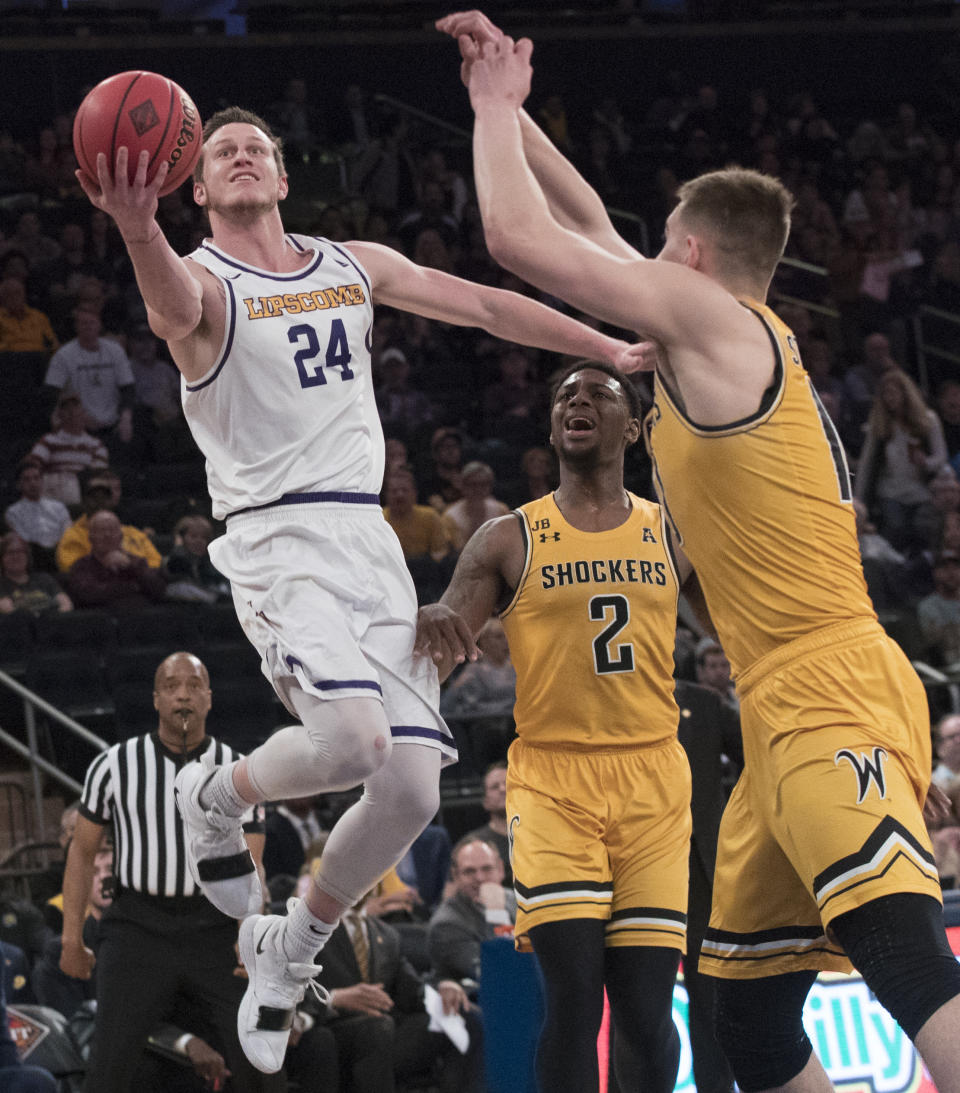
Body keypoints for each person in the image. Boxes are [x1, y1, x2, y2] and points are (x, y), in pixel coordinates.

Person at [436, 11, 960, 1093]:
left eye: (661, 240)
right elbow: (585, 221)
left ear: (694, 253)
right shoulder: (725, 341)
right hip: (781, 699)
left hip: (827, 682)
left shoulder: (718, 325)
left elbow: (523, 243)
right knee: (749, 1019)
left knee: (902, 949)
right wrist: (518, 107)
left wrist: (486, 115)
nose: (644, 252)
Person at [75, 102, 646, 1076]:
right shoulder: (206, 281)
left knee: (415, 786)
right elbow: (169, 313)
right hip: (278, 541)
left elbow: (483, 305)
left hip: (367, 539)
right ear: (198, 186)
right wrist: (136, 225)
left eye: (259, 147)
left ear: (285, 177)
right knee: (353, 740)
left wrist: (607, 347)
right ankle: (214, 793)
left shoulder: (353, 263)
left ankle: (287, 946)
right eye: (222, 153)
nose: (244, 157)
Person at [417, 359, 694, 1093]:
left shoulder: (674, 530)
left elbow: (750, 629)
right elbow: (440, 648)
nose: (576, 400)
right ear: (551, 426)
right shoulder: (509, 537)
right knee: (572, 1000)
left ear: (633, 427)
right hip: (554, 781)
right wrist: (423, 627)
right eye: (565, 395)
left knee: (645, 1009)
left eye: (598, 393)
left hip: (655, 781)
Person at [58, 651, 280, 1093]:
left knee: (260, 1057)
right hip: (138, 926)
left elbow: (251, 863)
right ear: (156, 698)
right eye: (172, 686)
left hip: (215, 927)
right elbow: (81, 854)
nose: (183, 694)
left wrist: (247, 935)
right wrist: (72, 939)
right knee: (108, 1065)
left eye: (194, 686)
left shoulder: (238, 770)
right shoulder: (113, 765)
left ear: (210, 699)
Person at [291, 890, 484, 1093]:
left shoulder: (386, 934)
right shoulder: (312, 926)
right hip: (330, 1032)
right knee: (376, 1029)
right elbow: (288, 984)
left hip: (382, 1035)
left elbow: (413, 993)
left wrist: (443, 985)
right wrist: (335, 998)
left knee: (466, 1016)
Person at [427, 837, 516, 985]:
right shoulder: (446, 925)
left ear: (500, 869)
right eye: (469, 871)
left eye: (487, 869)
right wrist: (497, 915)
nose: (480, 878)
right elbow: (499, 972)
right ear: (456, 876)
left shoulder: (516, 900)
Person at [64, 509, 168, 611]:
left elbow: (159, 590)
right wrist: (133, 587)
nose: (107, 535)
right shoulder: (81, 566)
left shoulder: (136, 562)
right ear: (90, 538)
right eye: (101, 531)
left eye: (112, 530)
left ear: (121, 537)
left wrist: (130, 566)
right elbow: (89, 595)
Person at [27, 390, 109, 508]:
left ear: (84, 412)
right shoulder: (48, 440)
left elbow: (99, 472)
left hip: (82, 490)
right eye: (66, 408)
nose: (71, 412)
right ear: (59, 414)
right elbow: (33, 464)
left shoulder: (95, 444)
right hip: (53, 488)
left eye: (75, 407)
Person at [3, 461, 71, 574]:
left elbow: (68, 533)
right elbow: (24, 540)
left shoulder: (59, 507)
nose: (33, 483)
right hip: (35, 560)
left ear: (42, 481)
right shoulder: (13, 512)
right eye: (27, 479)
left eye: (36, 478)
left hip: (62, 555)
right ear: (19, 484)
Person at [462, 760, 511, 885]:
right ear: (485, 801)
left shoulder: (539, 835)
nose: (503, 789)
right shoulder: (471, 844)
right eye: (495, 786)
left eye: (508, 783)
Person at [0, 532, 72, 616]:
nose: (16, 556)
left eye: (20, 552)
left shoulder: (45, 579)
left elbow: (66, 604)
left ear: (27, 556)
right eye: (10, 552)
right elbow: (9, 611)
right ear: (2, 558)